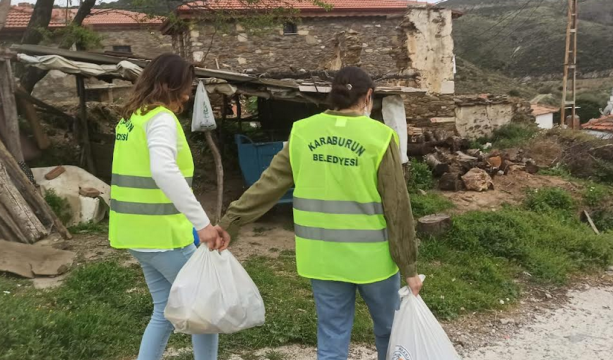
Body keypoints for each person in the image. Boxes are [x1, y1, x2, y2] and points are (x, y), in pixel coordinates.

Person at [211, 66, 421, 360]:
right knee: (389, 329)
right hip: (373, 260)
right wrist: (409, 267)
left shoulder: (302, 132)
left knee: (333, 334)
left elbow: (268, 185)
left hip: (322, 258)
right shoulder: (380, 137)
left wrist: (230, 221)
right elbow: (397, 207)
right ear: (368, 97)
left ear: (331, 96)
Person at [108, 53, 228, 360]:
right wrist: (202, 224)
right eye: (185, 87)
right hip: (162, 238)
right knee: (204, 313)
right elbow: (163, 170)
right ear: (169, 85)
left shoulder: (132, 117)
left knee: (163, 310)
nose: (188, 94)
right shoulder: (160, 118)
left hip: (136, 235)